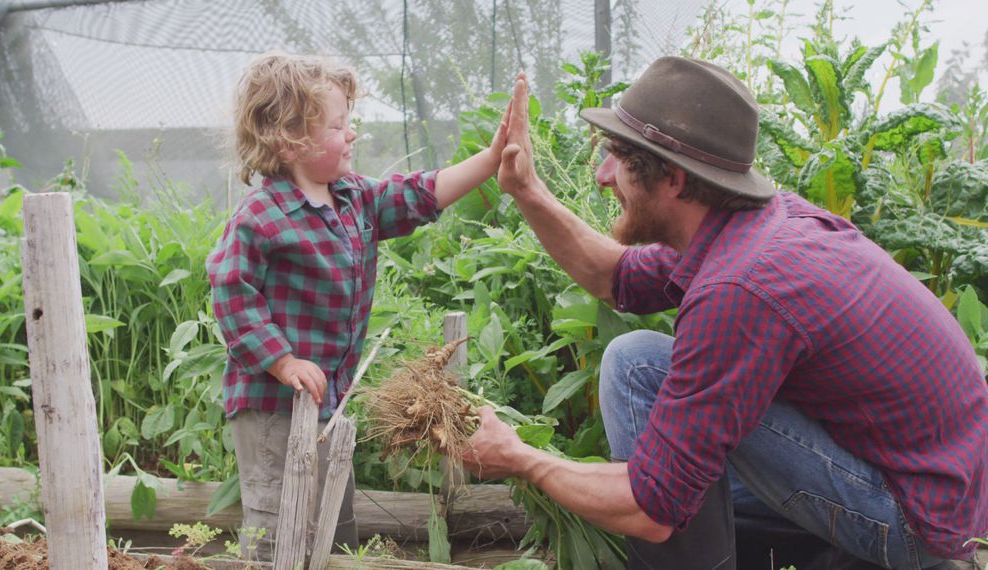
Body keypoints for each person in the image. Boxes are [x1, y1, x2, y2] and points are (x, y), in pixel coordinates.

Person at [462, 57, 988, 570]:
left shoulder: (741, 286)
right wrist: (526, 190)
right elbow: (614, 277)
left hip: (912, 523)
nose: (602, 176)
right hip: (928, 486)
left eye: (617, 157)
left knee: (651, 445)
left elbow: (651, 507)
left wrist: (521, 458)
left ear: (672, 179)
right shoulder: (749, 226)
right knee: (635, 359)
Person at [206, 52, 508, 560]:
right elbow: (232, 291)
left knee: (330, 518)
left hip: (329, 406)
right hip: (274, 408)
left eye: (351, 122)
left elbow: (420, 194)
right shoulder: (261, 216)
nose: (351, 135)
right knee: (281, 524)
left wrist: (492, 158)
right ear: (290, 139)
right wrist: (283, 361)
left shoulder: (352, 199)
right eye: (338, 125)